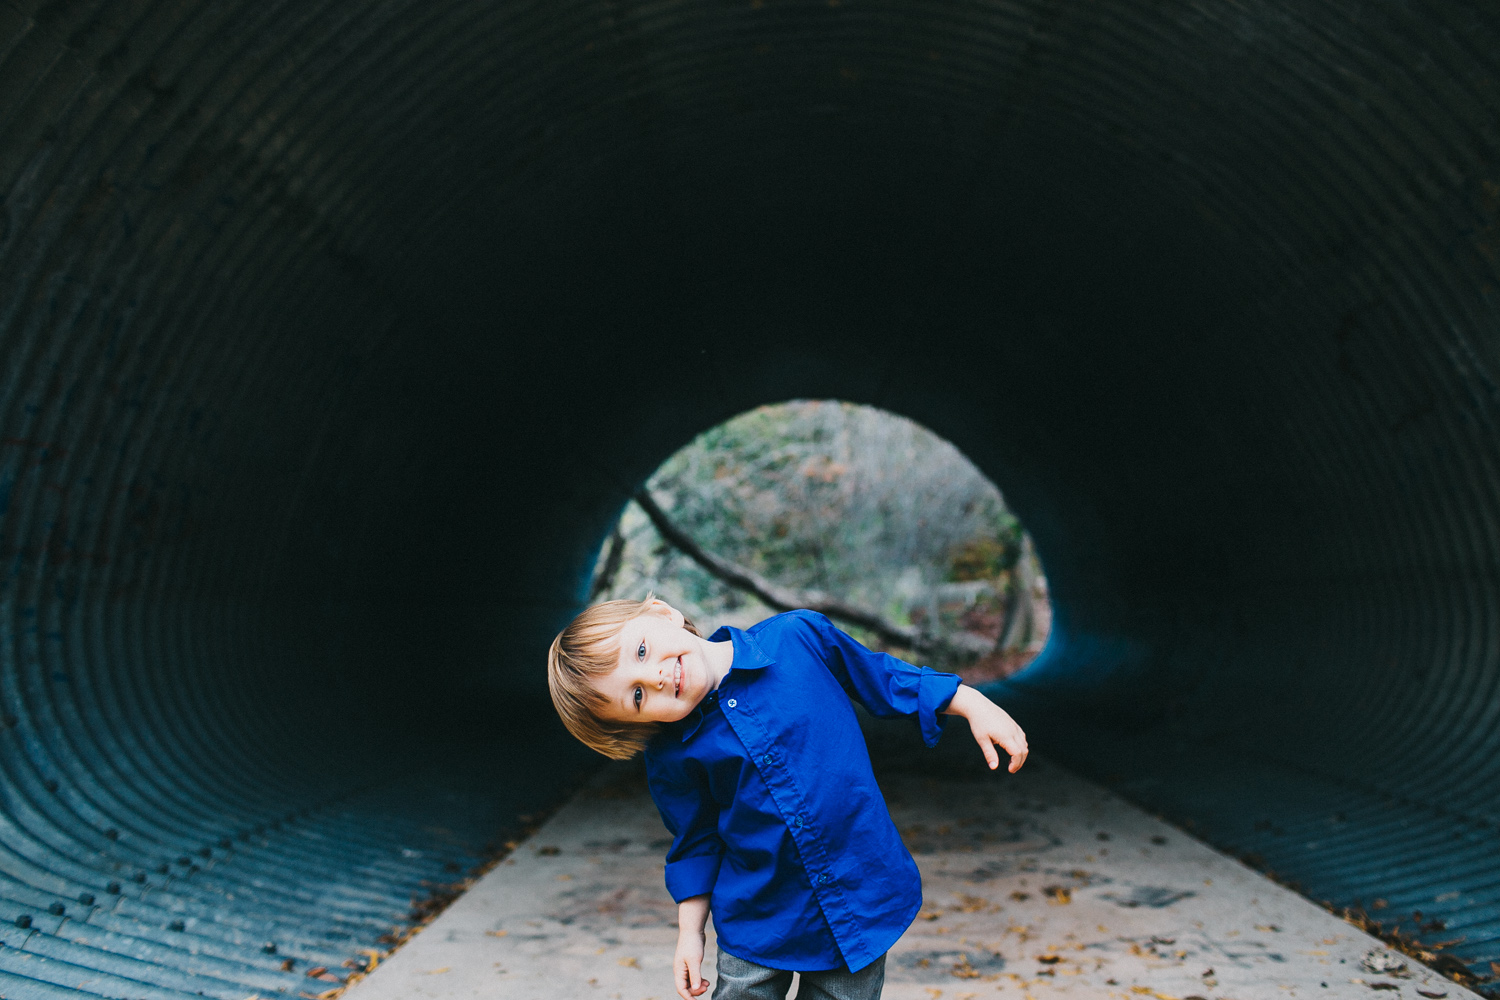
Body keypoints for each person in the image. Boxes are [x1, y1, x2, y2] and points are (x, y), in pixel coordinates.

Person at [547, 596, 1028, 1000]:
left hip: (857, 900)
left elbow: (883, 677)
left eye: (643, 650)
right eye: (635, 697)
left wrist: (971, 703)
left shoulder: (798, 639)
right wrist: (689, 933)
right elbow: (696, 842)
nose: (653, 678)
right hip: (756, 923)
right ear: (640, 723)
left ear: (663, 612)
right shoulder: (673, 756)